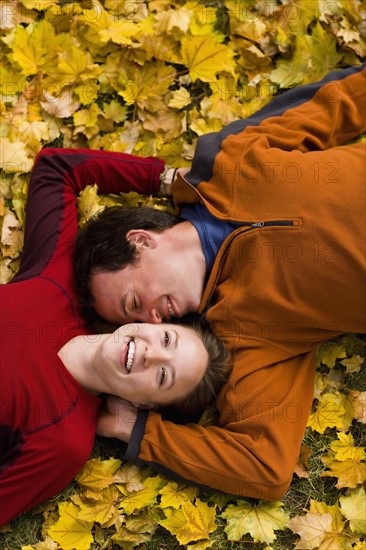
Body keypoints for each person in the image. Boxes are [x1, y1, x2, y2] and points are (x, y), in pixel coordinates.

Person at [74, 64, 366, 500]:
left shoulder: (230, 159)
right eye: (134, 320)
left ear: (141, 241)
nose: (152, 321)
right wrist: (137, 430)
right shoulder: (245, 336)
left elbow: (338, 101)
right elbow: (263, 466)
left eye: (134, 301)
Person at [0, 149, 231, 527]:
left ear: (141, 404)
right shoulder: (57, 282)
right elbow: (57, 169)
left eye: (162, 377)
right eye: (168, 340)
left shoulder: (64, 441)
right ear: (155, 323)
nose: (151, 356)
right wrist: (164, 178)